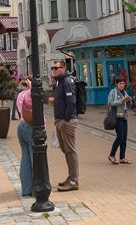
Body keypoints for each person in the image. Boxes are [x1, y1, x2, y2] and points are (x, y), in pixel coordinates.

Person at [52, 60, 79, 191]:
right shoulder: (59, 82)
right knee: (65, 150)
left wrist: (65, 120)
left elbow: (71, 101)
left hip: (67, 121)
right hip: (60, 120)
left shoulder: (67, 81)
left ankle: (74, 181)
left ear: (63, 68)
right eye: (53, 68)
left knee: (70, 150)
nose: (54, 70)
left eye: (56, 68)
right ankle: (71, 177)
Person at [107, 76, 133, 164]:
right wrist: (121, 101)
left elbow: (128, 106)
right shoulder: (113, 92)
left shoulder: (125, 92)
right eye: (120, 83)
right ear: (116, 84)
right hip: (117, 117)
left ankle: (122, 157)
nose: (122, 85)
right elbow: (110, 103)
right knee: (120, 136)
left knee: (124, 137)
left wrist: (129, 101)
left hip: (124, 117)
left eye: (123, 83)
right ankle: (111, 155)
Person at [16, 78, 35, 196]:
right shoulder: (29, 94)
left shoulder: (20, 95)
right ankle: (39, 187)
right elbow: (34, 97)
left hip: (21, 126)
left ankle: (26, 189)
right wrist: (32, 88)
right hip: (31, 127)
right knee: (36, 158)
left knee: (25, 158)